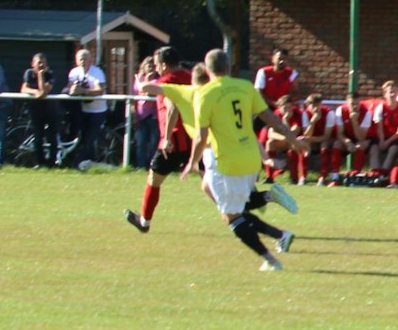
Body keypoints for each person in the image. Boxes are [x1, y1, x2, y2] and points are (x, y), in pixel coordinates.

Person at [126, 58, 293, 232]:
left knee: (156, 180)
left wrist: (166, 137)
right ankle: (259, 202)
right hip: (207, 147)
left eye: (158, 65)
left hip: (179, 144)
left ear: (164, 65)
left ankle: (145, 222)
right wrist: (267, 158)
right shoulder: (207, 87)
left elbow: (171, 108)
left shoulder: (174, 86)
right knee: (215, 190)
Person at [188, 49, 306, 271]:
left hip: (226, 162)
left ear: (207, 68)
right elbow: (271, 118)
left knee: (231, 216)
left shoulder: (204, 94)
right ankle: (276, 223)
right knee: (228, 202)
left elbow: (201, 136)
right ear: (229, 67)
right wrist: (293, 139)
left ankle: (271, 260)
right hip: (251, 160)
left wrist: (191, 162)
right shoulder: (246, 87)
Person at [65, 48, 109, 166]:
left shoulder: (97, 72)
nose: (83, 61)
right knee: (84, 138)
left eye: (85, 59)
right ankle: (90, 164)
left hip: (97, 110)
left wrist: (83, 91)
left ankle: (78, 164)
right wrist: (73, 91)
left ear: (91, 60)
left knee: (91, 138)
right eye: (80, 59)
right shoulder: (74, 72)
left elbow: (100, 90)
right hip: (83, 110)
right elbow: (70, 88)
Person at [19, 53, 61, 167]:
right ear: (33, 64)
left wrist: (41, 75)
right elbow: (24, 88)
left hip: (50, 110)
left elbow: (44, 91)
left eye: (44, 63)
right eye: (39, 63)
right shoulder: (29, 73)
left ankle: (52, 164)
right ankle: (40, 163)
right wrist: (35, 92)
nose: (42, 65)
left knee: (52, 138)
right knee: (38, 138)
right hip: (35, 110)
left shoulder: (50, 74)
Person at [129, 56, 160, 171]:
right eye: (148, 66)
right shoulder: (138, 82)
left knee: (153, 143)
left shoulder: (157, 81)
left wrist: (145, 80)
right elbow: (134, 99)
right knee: (140, 143)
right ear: (143, 67)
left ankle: (152, 165)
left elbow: (149, 94)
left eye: (153, 66)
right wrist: (134, 115)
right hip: (141, 116)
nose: (151, 68)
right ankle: (141, 166)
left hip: (154, 116)